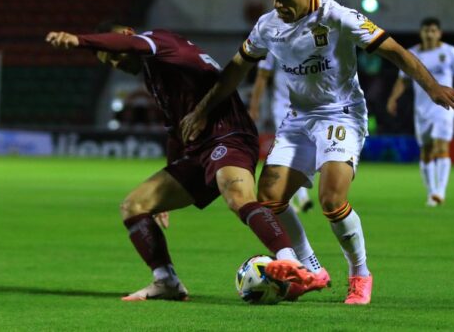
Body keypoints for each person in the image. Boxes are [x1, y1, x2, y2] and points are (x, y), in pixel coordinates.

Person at [180, 0, 454, 305]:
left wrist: (433, 87)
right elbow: (236, 70)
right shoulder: (267, 26)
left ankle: (360, 274)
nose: (277, 4)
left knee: (331, 199)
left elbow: (394, 51)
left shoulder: (337, 17)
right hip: (298, 119)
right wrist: (202, 110)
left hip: (341, 115)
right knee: (269, 198)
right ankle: (311, 268)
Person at [45, 24, 327, 302]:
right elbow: (175, 131)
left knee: (238, 196)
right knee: (134, 206)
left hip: (228, 135)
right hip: (197, 149)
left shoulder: (159, 41)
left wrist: (79, 39)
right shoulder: (154, 75)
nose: (117, 63)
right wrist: (171, 174)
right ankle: (166, 281)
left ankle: (290, 263)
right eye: (110, 63)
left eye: (116, 54)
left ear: (128, 36)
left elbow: (130, 45)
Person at [387, 17, 454, 207]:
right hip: (422, 110)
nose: (430, 34)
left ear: (439, 33)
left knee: (441, 147)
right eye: (426, 30)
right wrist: (393, 98)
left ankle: (440, 192)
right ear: (421, 33)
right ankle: (431, 192)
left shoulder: (450, 52)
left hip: (445, 108)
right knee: (427, 151)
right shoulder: (411, 54)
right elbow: (402, 80)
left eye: (433, 31)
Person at [248, 52, 313, 213]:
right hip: (282, 107)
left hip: (305, 106)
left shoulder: (308, 43)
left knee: (303, 150)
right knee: (290, 150)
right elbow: (262, 76)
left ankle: (295, 195)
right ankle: (300, 197)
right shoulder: (273, 45)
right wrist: (254, 107)